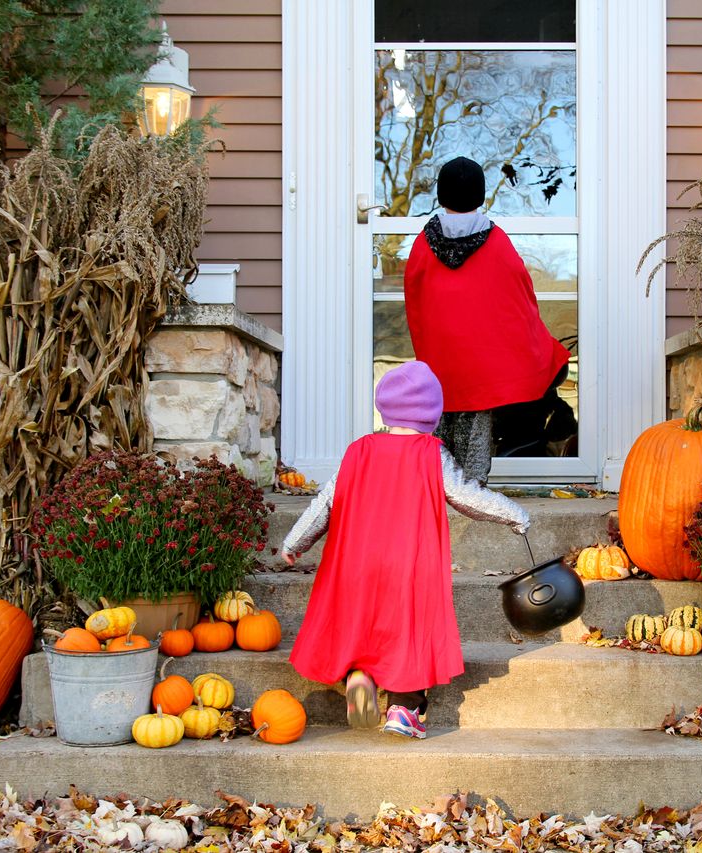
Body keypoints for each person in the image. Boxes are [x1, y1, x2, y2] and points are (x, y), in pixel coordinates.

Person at [281, 360, 530, 739]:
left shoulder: (358, 451)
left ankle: (360, 677)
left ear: (384, 407)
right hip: (408, 566)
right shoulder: (432, 453)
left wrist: (294, 542)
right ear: (432, 414)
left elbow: (324, 504)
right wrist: (514, 514)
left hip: (356, 565)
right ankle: (404, 709)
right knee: (405, 634)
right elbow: (467, 497)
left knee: (361, 623)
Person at [404, 156, 572, 484]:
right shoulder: (495, 242)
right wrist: (536, 343)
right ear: (480, 196)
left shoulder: (425, 243)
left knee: (439, 426)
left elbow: (415, 298)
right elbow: (520, 299)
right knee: (476, 428)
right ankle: (473, 490)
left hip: (442, 359)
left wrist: (427, 349)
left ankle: (440, 489)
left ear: (441, 196)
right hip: (481, 367)